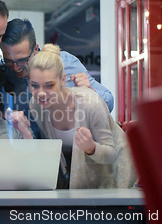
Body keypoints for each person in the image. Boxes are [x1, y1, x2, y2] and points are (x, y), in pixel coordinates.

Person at [27, 45, 137, 189]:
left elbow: (111, 153)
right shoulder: (35, 105)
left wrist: (92, 148)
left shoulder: (90, 102)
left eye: (49, 85)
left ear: (62, 80)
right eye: (34, 85)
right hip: (85, 180)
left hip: (118, 175)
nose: (41, 93)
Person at [0, 18, 114, 138]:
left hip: (74, 149)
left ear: (36, 48)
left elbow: (109, 102)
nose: (16, 67)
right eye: (9, 61)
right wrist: (2, 114)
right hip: (29, 149)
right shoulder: (0, 71)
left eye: (22, 60)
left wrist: (91, 93)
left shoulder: (64, 63)